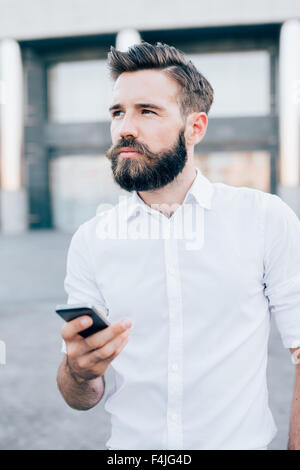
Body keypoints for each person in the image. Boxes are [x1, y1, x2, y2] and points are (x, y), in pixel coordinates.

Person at [56, 42, 300, 450]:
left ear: (196, 127)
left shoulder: (263, 219)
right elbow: (81, 397)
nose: (124, 128)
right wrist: (78, 371)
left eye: (147, 111)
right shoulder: (91, 240)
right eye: (118, 113)